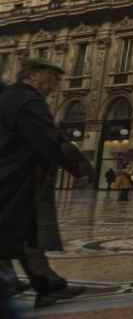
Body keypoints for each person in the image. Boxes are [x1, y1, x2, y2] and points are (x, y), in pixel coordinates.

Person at [0, 59, 92, 310]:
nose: (54, 87)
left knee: (23, 235)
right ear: (35, 75)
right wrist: (79, 168)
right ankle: (47, 286)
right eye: (52, 80)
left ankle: (48, 285)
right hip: (16, 179)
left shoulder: (8, 97)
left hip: (9, 176)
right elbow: (47, 139)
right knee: (21, 233)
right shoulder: (29, 101)